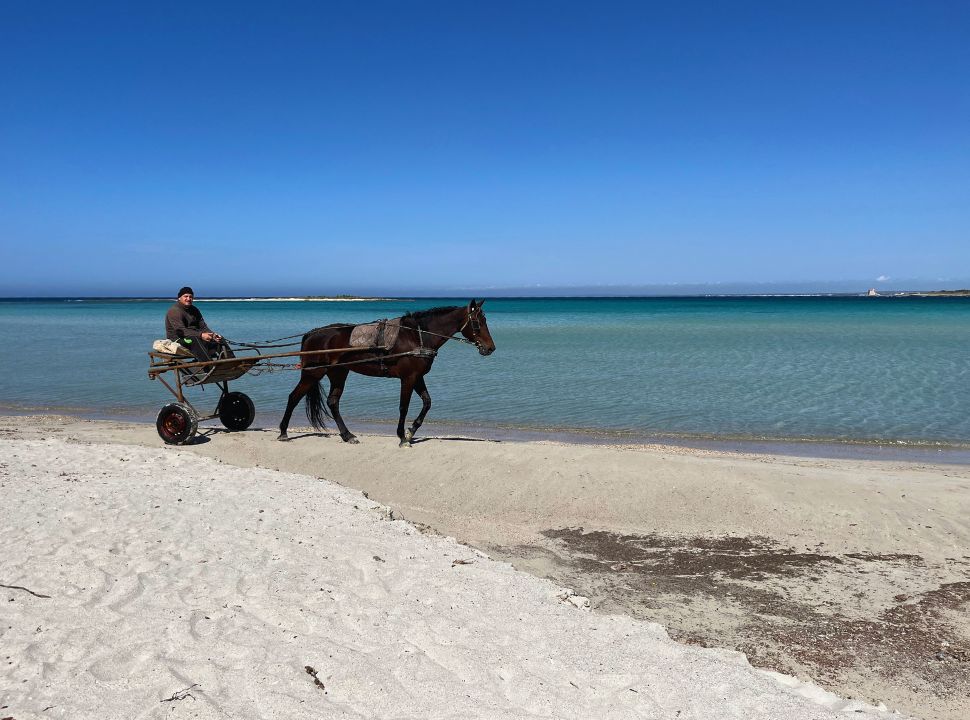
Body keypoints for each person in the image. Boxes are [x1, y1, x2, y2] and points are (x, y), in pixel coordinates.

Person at [164, 287, 233, 363]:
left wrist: (213, 334)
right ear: (179, 298)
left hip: (195, 335)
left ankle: (231, 363)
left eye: (191, 297)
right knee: (194, 340)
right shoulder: (174, 311)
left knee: (219, 338)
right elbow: (182, 331)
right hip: (178, 339)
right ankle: (209, 366)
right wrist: (201, 335)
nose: (188, 299)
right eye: (186, 296)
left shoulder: (194, 309)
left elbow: (203, 327)